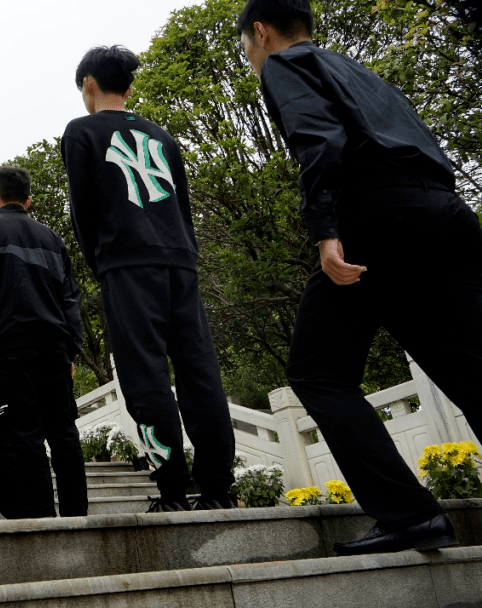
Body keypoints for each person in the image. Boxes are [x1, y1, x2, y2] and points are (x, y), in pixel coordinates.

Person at [236, 0, 478, 554]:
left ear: (261, 31)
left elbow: (320, 142)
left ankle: (408, 513)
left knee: (318, 372)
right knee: (469, 368)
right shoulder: (358, 70)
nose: (250, 57)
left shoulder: (284, 65)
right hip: (447, 214)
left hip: (379, 218)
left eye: (247, 46)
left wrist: (326, 231)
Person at [61, 45, 237, 512]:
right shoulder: (162, 135)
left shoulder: (81, 132)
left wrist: (103, 267)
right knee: (200, 371)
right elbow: (181, 206)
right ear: (130, 87)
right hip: (180, 259)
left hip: (126, 263)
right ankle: (219, 489)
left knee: (145, 375)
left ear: (89, 86)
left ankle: (173, 489)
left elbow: (85, 213)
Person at [0, 165, 88, 519]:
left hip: (10, 348)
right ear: (28, 200)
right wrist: (70, 348)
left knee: (24, 433)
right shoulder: (52, 239)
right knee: (64, 432)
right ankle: (78, 514)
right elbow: (70, 298)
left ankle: (42, 516)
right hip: (54, 348)